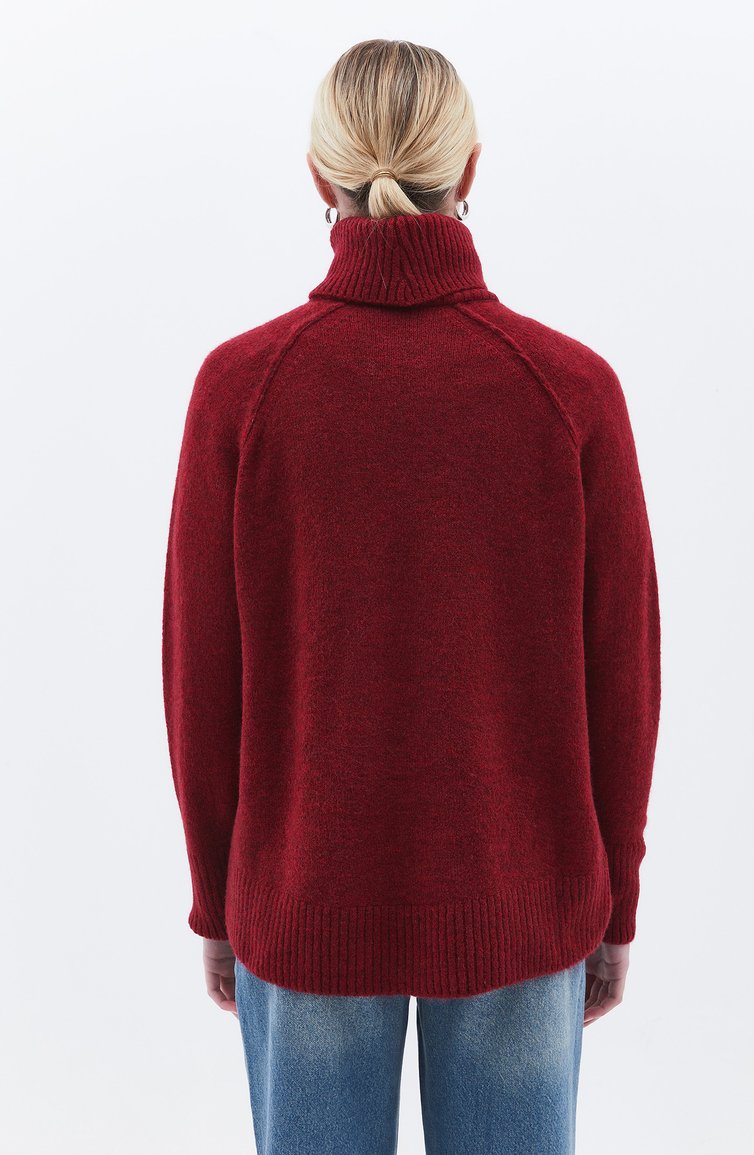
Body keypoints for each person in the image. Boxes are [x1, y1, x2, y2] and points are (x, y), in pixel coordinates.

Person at [162, 38, 661, 1155]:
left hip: (304, 901)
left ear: (317, 174)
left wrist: (217, 901)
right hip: (521, 900)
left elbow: (202, 680)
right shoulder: (570, 391)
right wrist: (615, 906)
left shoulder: (242, 391)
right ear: (470, 167)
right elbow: (622, 681)